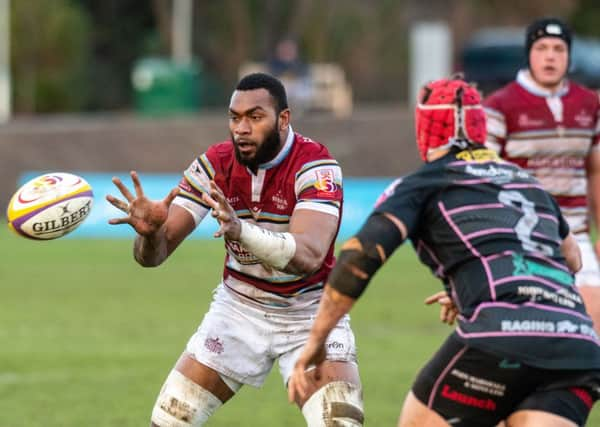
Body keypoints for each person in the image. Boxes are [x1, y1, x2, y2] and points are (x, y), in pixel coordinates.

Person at [288, 77, 600, 427]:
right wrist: (473, 286)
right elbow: (571, 258)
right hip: (577, 343)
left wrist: (316, 341)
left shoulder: (422, 184)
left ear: (425, 128)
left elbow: (359, 257)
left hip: (500, 333)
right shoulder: (527, 183)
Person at [106, 73, 363, 426]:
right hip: (240, 309)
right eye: (234, 117)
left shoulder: (316, 166)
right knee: (168, 421)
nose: (241, 128)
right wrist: (150, 234)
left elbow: (308, 256)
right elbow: (154, 256)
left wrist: (241, 230)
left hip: (310, 313)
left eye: (255, 117)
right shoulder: (215, 164)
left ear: (283, 119)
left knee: (341, 423)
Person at [483, 17, 600, 335]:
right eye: (542, 48)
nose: (550, 56)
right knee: (527, 333)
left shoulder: (589, 104)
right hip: (519, 237)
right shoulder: (499, 105)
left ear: (569, 55)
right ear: (529, 54)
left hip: (576, 232)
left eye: (559, 49)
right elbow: (483, 177)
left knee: (593, 326)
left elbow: (595, 170)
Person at [267, 38, 312, 113]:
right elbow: (272, 75)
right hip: (282, 87)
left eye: (290, 49)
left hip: (296, 87)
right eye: (285, 49)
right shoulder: (274, 63)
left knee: (303, 89)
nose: (287, 51)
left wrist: (294, 76)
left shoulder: (299, 63)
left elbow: (304, 74)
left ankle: (298, 111)